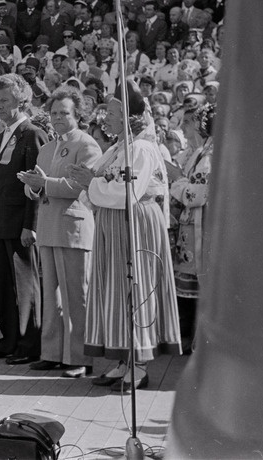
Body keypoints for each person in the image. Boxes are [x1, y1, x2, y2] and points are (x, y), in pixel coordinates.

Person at [69, 83, 181, 391]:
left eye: (114, 111)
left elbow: (127, 193)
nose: (106, 116)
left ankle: (139, 364)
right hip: (114, 224)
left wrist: (91, 182)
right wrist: (89, 182)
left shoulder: (142, 149)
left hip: (135, 224)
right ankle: (124, 360)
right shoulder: (117, 148)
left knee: (135, 286)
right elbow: (103, 187)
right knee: (116, 289)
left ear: (129, 117)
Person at [17, 88, 102, 377]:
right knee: (51, 297)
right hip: (50, 226)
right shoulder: (47, 148)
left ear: (78, 114)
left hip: (73, 227)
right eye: (54, 113)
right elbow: (38, 187)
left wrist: (44, 182)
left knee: (76, 295)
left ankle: (79, 356)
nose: (57, 118)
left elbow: (77, 187)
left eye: (64, 113)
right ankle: (52, 352)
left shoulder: (87, 145)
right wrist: (31, 184)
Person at [0, 74, 47, 364]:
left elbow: (37, 184)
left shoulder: (32, 133)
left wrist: (29, 226)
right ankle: (8, 340)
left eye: (5, 100)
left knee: (26, 288)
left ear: (21, 99)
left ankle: (29, 344)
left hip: (19, 225)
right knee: (5, 287)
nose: (0, 107)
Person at [169, 103, 215, 354]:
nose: (185, 128)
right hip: (192, 226)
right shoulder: (200, 151)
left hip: (204, 225)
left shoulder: (209, 154)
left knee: (206, 284)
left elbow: (197, 194)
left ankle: (203, 344)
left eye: (190, 122)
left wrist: (177, 180)